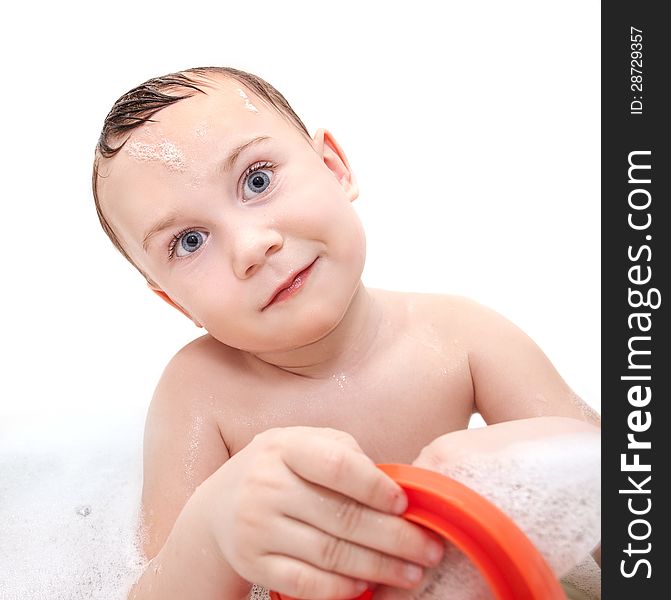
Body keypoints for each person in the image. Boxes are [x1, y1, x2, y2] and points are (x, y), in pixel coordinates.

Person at [92, 66, 600, 600]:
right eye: (191, 241)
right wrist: (213, 531)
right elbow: (154, 585)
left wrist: (544, 472)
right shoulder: (199, 397)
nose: (250, 246)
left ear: (334, 168)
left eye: (256, 180)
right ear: (176, 303)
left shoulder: (463, 339)